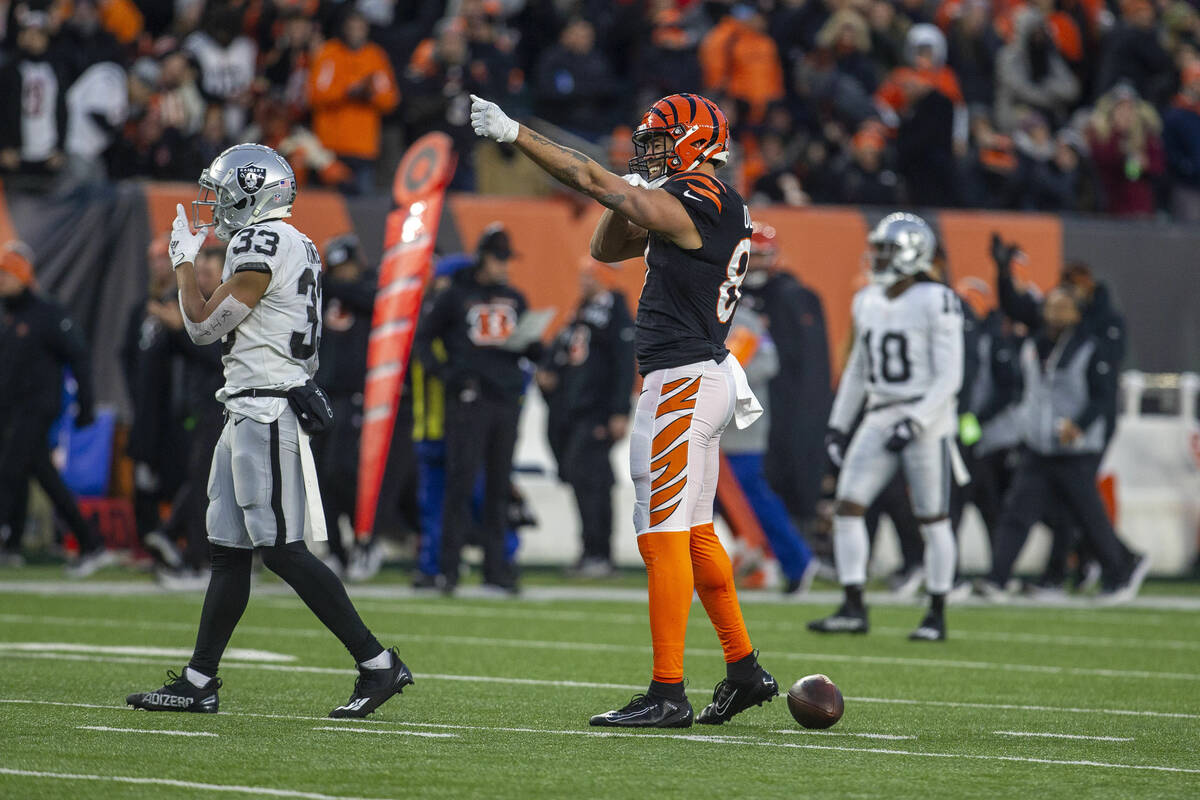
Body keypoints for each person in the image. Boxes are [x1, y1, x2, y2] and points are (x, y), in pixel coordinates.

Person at [469, 91, 778, 727]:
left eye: (662, 140)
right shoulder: (703, 201)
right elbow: (610, 248)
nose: (651, 152)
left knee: (660, 536)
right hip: (696, 378)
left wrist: (515, 132)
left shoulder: (705, 197)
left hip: (684, 382)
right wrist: (625, 192)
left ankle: (668, 692)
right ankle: (744, 669)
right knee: (691, 536)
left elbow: (587, 177)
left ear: (696, 141)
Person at [126, 144, 411, 717]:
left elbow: (204, 326)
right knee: (228, 551)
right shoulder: (295, 241)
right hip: (246, 405)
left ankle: (377, 665)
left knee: (280, 550)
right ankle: (199, 679)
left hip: (265, 408)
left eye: (224, 190)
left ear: (252, 192)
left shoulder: (262, 241)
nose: (216, 202)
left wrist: (185, 265)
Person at [811, 213, 963, 642]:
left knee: (933, 518)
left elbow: (950, 376)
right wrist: (839, 426)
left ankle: (935, 612)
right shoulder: (867, 300)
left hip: (926, 416)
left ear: (914, 252)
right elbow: (858, 371)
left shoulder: (938, 299)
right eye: (878, 247)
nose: (877, 256)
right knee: (847, 507)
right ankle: (853, 605)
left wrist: (916, 422)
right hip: (879, 412)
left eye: (887, 249)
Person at [978, 288, 1150, 602]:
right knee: (1017, 513)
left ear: (1077, 314)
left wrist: (1080, 425)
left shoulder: (1090, 347)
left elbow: (1102, 396)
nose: (1055, 314)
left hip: (1075, 449)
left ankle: (1120, 572)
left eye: (1063, 308)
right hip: (1039, 447)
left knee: (1088, 515)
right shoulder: (1035, 344)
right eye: (1051, 308)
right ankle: (997, 579)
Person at [413, 225, 533, 594]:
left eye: (507, 259)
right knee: (460, 484)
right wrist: (447, 376)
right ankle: (447, 568)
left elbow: (527, 345)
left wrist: (539, 349)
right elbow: (423, 339)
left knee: (499, 487)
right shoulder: (455, 296)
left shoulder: (514, 297)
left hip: (504, 402)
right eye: (499, 258)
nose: (504, 267)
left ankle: (496, 568)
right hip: (468, 401)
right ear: (483, 257)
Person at [0, 242, 113, 575]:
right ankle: (90, 544)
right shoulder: (10, 316)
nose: (2, 281)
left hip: (37, 408)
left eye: (6, 275)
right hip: (12, 410)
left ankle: (10, 539)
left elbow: (78, 357)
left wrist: (86, 405)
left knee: (8, 471)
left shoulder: (48, 314)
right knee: (43, 478)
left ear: (22, 276)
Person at [540, 259, 635, 577]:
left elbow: (624, 365)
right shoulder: (579, 312)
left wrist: (620, 411)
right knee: (581, 479)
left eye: (590, 276)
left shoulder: (615, 313)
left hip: (596, 412)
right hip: (571, 410)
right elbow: (564, 352)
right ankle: (591, 551)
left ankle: (599, 553)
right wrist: (551, 374)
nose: (584, 282)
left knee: (592, 481)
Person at [721, 302, 816, 594]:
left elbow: (767, 362)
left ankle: (795, 560)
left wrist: (722, 379)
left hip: (740, 427)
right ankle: (757, 558)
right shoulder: (696, 310)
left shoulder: (744, 318)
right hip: (708, 424)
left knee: (753, 495)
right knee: (707, 501)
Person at [312, 234, 376, 574]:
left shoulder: (369, 288)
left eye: (346, 267)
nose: (341, 274)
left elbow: (374, 300)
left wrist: (331, 285)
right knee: (320, 477)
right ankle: (336, 549)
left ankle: (365, 538)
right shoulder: (323, 292)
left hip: (355, 394)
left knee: (341, 470)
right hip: (322, 393)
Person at [308, 10, 399, 194]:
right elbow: (315, 94)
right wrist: (347, 92)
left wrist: (370, 95)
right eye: (351, 27)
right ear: (344, 29)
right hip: (329, 146)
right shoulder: (329, 53)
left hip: (363, 147)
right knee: (325, 210)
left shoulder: (375, 56)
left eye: (360, 27)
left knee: (361, 211)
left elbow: (390, 100)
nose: (355, 32)